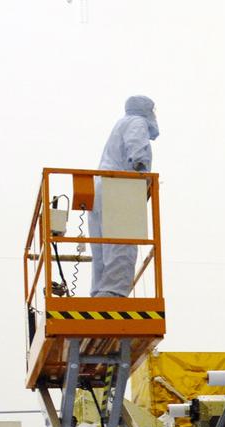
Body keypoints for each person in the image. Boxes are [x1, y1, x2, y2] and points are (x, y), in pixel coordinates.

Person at [90, 95, 159, 298]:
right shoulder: (137, 122)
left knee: (103, 247)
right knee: (122, 244)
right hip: (120, 186)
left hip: (101, 187)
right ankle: (114, 292)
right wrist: (142, 177)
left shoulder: (121, 123)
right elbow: (138, 153)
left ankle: (100, 292)